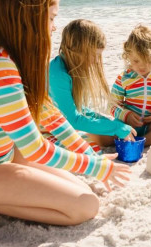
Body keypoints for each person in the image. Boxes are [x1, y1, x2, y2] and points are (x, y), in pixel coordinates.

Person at [0, 0, 131, 235]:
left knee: (83, 191)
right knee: (84, 207)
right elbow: (34, 148)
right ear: (25, 18)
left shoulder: (8, 59)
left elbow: (51, 117)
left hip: (1, 159)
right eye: (51, 18)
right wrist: (98, 167)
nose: (54, 28)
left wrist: (90, 156)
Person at [49, 19, 136, 149]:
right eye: (93, 55)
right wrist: (115, 127)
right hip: (45, 131)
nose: (96, 61)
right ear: (79, 50)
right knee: (107, 135)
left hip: (62, 125)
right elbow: (73, 120)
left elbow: (80, 109)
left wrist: (106, 121)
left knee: (111, 129)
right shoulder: (57, 73)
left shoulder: (72, 66)